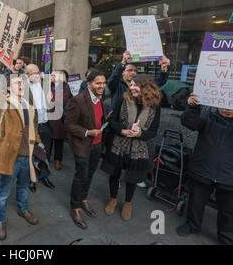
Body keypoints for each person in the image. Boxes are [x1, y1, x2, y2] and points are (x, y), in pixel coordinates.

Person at [0, 64, 43, 241]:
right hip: (11, 157)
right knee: (4, 192)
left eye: (23, 83)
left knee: (23, 187)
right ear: (9, 88)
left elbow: (32, 127)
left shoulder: (28, 104)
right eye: (17, 83)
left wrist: (38, 142)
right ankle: (0, 220)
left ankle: (23, 210)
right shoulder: (4, 103)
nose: (21, 86)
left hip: (27, 157)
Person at [101, 74, 161, 221]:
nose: (132, 87)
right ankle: (113, 199)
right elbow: (112, 121)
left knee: (132, 178)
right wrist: (122, 130)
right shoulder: (123, 99)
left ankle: (128, 203)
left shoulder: (154, 106)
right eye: (131, 84)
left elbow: (153, 132)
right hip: (118, 144)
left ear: (146, 88)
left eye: (136, 85)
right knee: (114, 174)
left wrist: (140, 133)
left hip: (138, 148)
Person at [176, 94, 233, 245]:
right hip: (203, 170)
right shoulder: (208, 116)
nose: (227, 109)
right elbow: (188, 122)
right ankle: (192, 225)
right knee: (195, 202)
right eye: (224, 104)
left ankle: (226, 237)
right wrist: (192, 107)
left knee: (229, 211)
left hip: (229, 177)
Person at [65, 71, 108, 229]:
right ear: (89, 84)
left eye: (104, 83)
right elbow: (68, 125)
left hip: (97, 144)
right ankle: (75, 208)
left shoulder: (100, 98)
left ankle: (83, 200)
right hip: (82, 145)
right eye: (98, 83)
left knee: (89, 174)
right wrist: (87, 132)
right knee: (81, 176)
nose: (102, 86)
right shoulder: (78, 100)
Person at [25, 64, 54, 189]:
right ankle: (31, 179)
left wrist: (51, 99)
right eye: (34, 73)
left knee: (44, 152)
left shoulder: (44, 84)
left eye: (38, 72)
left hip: (45, 124)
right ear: (27, 75)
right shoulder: (23, 88)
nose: (38, 75)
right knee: (31, 153)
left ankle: (44, 176)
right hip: (32, 126)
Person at [50, 70, 72, 171]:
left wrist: (51, 97)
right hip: (48, 115)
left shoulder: (65, 86)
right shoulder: (48, 85)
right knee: (47, 139)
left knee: (58, 140)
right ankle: (45, 159)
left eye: (53, 75)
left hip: (59, 117)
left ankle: (58, 160)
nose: (51, 76)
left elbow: (61, 101)